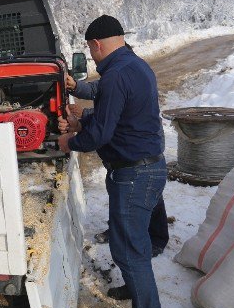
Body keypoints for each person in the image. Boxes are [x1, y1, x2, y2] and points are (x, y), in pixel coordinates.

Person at [58, 15, 170, 308]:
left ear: (95, 45)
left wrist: (71, 140)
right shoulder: (135, 66)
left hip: (134, 176)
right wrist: (85, 113)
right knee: (133, 247)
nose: (91, 56)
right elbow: (119, 112)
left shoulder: (115, 75)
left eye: (90, 50)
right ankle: (136, 290)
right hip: (148, 166)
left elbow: (101, 135)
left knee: (129, 252)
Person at [66, 68, 169, 266]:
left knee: (150, 196)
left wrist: (85, 115)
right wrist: (76, 86)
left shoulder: (132, 75)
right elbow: (98, 89)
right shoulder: (116, 74)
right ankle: (118, 229)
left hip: (144, 151)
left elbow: (118, 112)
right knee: (121, 193)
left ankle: (157, 238)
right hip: (125, 153)